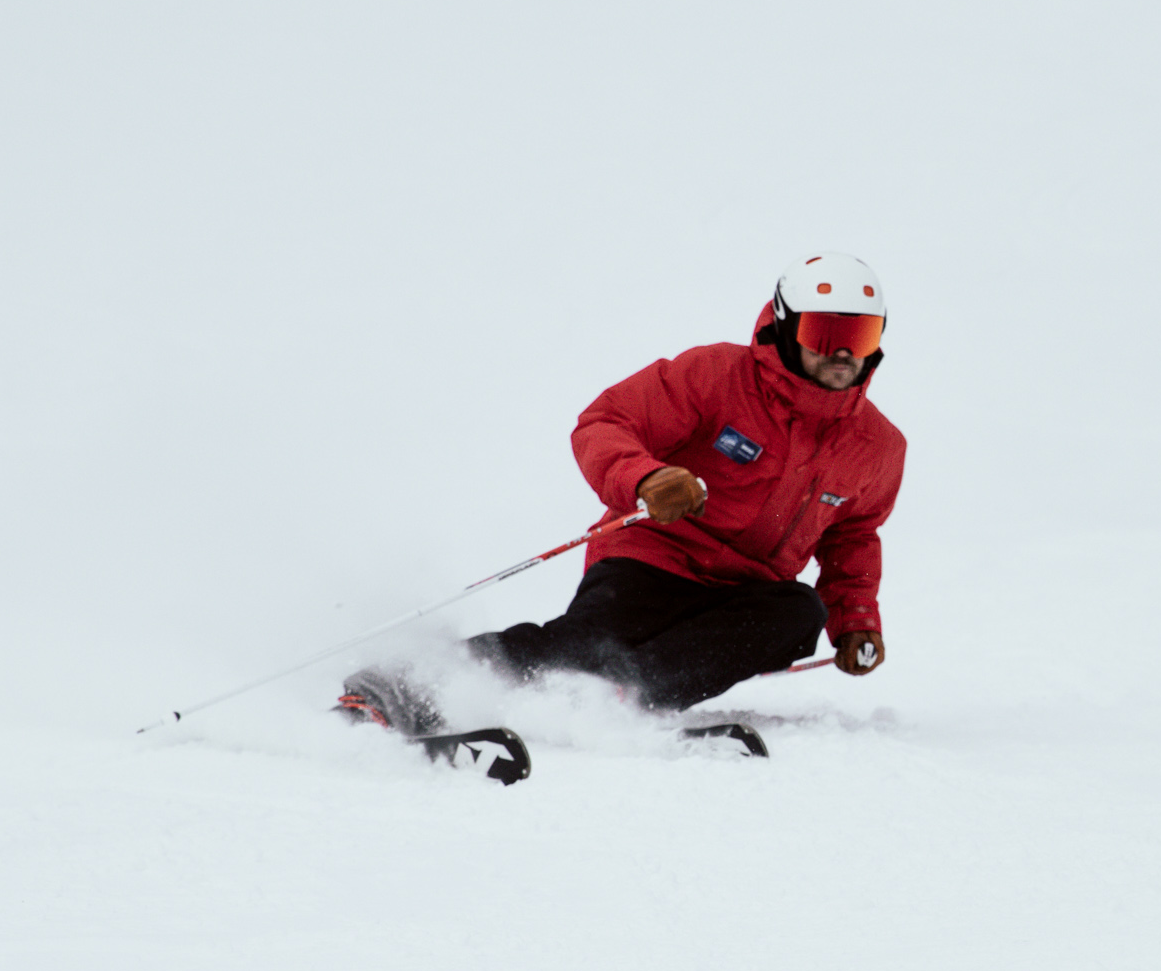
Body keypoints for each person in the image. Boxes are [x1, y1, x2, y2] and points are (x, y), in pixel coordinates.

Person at [338, 251, 905, 732]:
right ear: (785, 325)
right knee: (590, 643)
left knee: (798, 613)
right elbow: (606, 422)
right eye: (824, 334)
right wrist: (647, 478)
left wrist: (855, 620)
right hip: (655, 560)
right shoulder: (715, 376)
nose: (842, 353)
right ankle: (402, 681)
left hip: (748, 592)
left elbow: (853, 536)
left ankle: (620, 697)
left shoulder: (877, 445)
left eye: (859, 335)